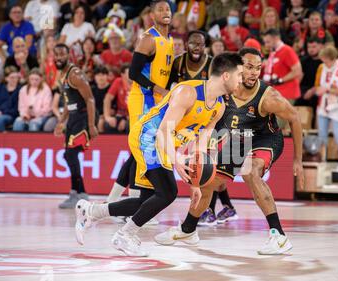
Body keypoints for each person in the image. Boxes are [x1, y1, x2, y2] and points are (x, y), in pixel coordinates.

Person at [74, 52, 244, 257]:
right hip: (149, 136)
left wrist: (195, 183)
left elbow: (200, 146)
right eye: (240, 75)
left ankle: (90, 211)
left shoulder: (219, 106)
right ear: (226, 75)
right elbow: (163, 131)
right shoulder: (187, 92)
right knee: (167, 192)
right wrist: (177, 159)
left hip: (163, 143)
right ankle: (124, 235)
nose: (241, 80)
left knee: (147, 200)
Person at [154, 47, 304, 255]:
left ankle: (278, 236)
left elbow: (295, 117)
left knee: (251, 172)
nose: (253, 73)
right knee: (206, 181)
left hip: (264, 138)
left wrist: (298, 160)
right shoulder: (225, 91)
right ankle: (188, 229)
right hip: (236, 139)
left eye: (258, 69)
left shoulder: (269, 97)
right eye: (249, 67)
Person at [106, 0, 174, 204]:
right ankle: (129, 202)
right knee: (141, 149)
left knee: (141, 151)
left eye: (168, 9)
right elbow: (133, 72)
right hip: (142, 99)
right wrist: (157, 89)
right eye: (160, 9)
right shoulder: (148, 39)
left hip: (157, 101)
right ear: (152, 15)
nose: (165, 12)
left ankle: (116, 201)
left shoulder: (169, 40)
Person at [53, 43, 99, 209]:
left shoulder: (75, 74)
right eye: (56, 55)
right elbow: (68, 102)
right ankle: (76, 192)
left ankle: (80, 194)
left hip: (84, 116)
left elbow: (90, 99)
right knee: (68, 155)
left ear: (69, 56)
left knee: (71, 155)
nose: (59, 57)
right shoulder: (62, 75)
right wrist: (61, 121)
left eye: (62, 54)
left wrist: (92, 125)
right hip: (73, 117)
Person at [314, 46, 338, 169]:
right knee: (322, 134)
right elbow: (317, 85)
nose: (323, 62)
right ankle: (322, 159)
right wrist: (319, 90)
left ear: (332, 58)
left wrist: (327, 89)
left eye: (325, 59)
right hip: (324, 104)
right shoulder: (321, 68)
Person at [262, 28, 303, 105]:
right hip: (278, 93)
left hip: (287, 94)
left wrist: (281, 80)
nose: (266, 45)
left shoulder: (287, 50)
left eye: (268, 42)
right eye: (265, 42)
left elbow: (298, 71)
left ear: (276, 38)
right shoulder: (274, 51)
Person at [295, 37, 324, 125]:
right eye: (309, 47)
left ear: (321, 47)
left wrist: (312, 90)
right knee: (298, 99)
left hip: (319, 88)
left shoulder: (324, 62)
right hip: (304, 88)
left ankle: (314, 126)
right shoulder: (304, 60)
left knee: (314, 98)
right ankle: (300, 126)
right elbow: (299, 78)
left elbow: (323, 82)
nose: (311, 50)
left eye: (314, 47)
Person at [103, 64, 130, 134]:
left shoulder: (138, 83)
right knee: (108, 124)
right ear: (122, 74)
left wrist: (127, 119)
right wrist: (107, 117)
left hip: (133, 115)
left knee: (128, 125)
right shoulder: (118, 81)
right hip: (120, 114)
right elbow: (107, 99)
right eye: (129, 73)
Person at [91, 66, 110, 133]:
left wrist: (104, 116)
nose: (100, 77)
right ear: (95, 77)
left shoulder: (111, 89)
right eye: (98, 75)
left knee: (101, 123)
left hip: (108, 115)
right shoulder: (92, 90)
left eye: (103, 75)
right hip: (95, 115)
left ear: (107, 76)